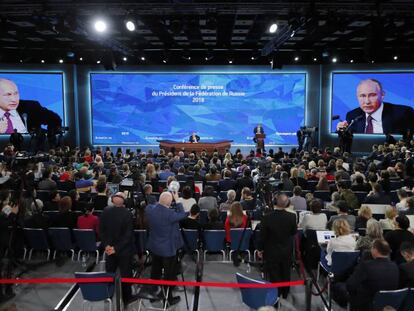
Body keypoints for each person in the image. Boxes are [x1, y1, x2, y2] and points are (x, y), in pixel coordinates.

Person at [145, 191, 187, 306]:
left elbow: (150, 204)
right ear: (170, 203)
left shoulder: (149, 210)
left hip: (154, 247)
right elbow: (183, 214)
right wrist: (178, 200)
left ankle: (153, 295)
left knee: (155, 272)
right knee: (168, 275)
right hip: (167, 250)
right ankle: (169, 298)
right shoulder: (171, 214)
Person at [336, 79, 414, 134]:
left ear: (382, 95)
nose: (367, 101)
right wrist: (340, 132)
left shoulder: (403, 113)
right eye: (362, 96)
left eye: (372, 95)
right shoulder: (353, 116)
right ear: (357, 97)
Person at [100, 192, 136, 306]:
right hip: (123, 251)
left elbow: (101, 231)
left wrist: (107, 246)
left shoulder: (105, 211)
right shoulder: (128, 214)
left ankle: (108, 295)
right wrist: (116, 248)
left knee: (109, 273)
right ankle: (127, 298)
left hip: (109, 250)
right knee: (126, 275)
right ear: (124, 201)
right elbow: (128, 235)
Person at [258, 193, 297, 298]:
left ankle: (276, 293)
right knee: (286, 271)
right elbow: (294, 232)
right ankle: (285, 293)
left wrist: (260, 249)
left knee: (274, 273)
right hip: (287, 250)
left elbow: (262, 236)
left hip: (271, 250)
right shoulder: (292, 217)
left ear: (274, 202)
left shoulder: (266, 217)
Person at [346, 239, 399, 311]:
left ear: (375, 250)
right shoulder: (395, 266)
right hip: (387, 305)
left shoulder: (366, 266)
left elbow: (350, 285)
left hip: (367, 305)